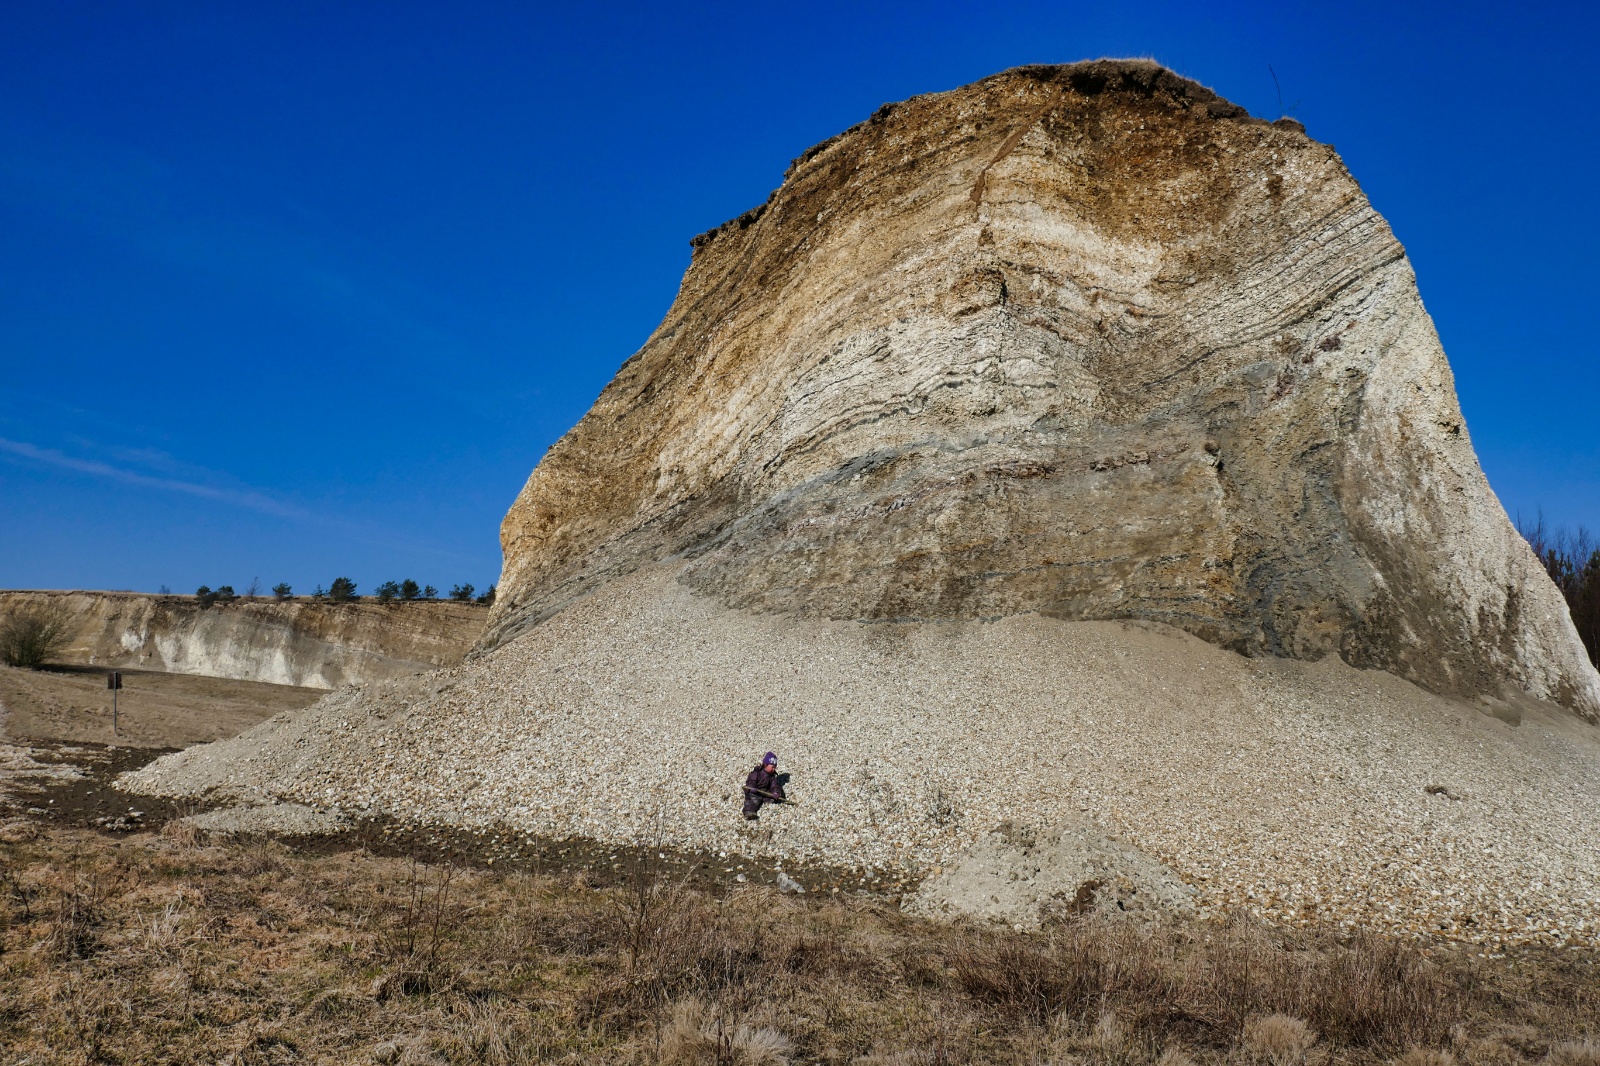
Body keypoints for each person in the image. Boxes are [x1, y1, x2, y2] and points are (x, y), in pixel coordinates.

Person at [741, 751, 786, 821]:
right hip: (755, 791)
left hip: (765, 792)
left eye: (775, 767)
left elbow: (775, 786)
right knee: (752, 801)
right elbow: (751, 781)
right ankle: (749, 813)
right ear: (765, 764)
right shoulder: (757, 773)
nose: (774, 769)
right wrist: (752, 787)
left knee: (775, 798)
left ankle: (765, 801)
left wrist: (776, 792)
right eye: (772, 767)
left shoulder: (772, 777)